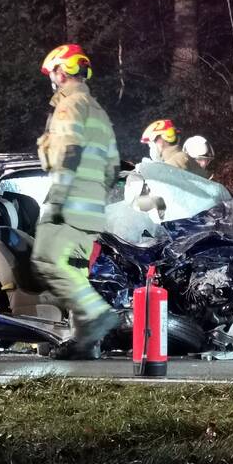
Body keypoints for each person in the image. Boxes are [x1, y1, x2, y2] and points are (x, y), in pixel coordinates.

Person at [32, 43, 121, 359]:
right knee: (74, 271)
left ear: (61, 70)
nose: (52, 79)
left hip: (70, 203)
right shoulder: (98, 110)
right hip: (93, 208)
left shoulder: (69, 106)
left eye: (53, 72)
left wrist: (57, 200)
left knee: (45, 260)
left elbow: (69, 154)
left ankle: (96, 314)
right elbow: (112, 168)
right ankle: (85, 344)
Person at [140, 119, 208, 178]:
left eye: (150, 145)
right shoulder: (178, 158)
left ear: (161, 141)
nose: (151, 149)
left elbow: (161, 181)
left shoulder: (179, 160)